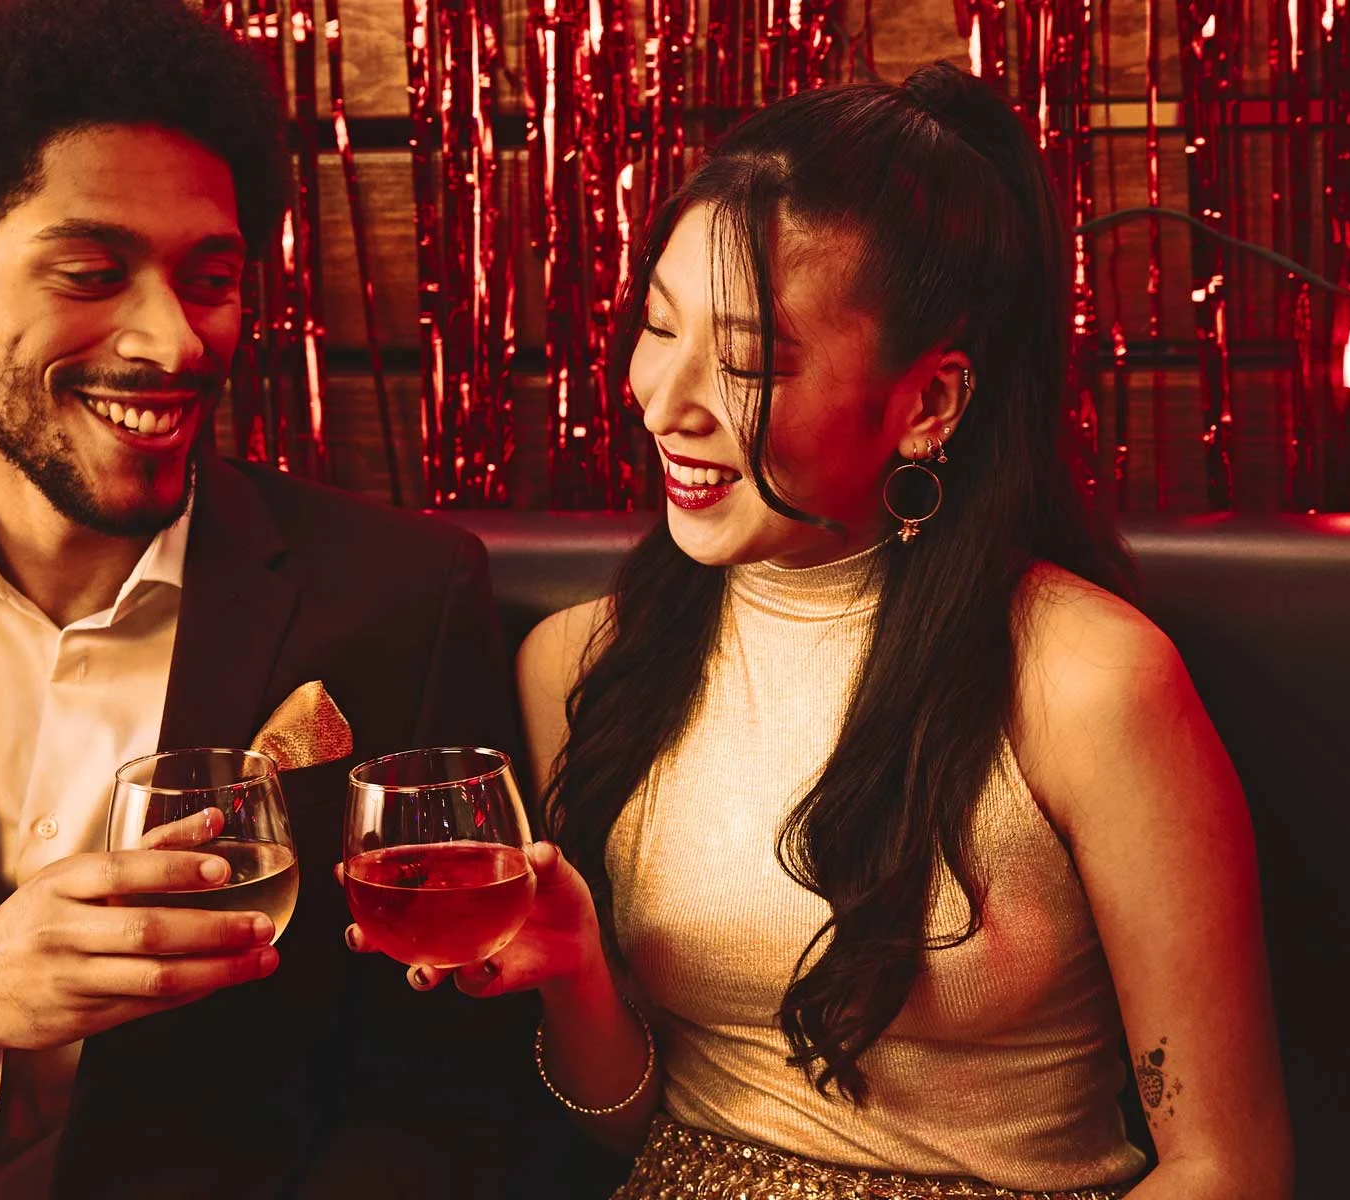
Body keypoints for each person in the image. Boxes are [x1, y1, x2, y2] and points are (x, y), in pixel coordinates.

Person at [0, 1, 571, 1195]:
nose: (173, 342)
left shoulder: (402, 595)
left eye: (210, 280)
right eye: (91, 273)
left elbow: (451, 1098)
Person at [347, 62, 1294, 1199]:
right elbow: (623, 1134)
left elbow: (1229, 1167)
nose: (663, 401)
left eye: (746, 361)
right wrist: (581, 970)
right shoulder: (581, 664)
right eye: (657, 327)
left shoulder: (1088, 681)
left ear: (927, 405)